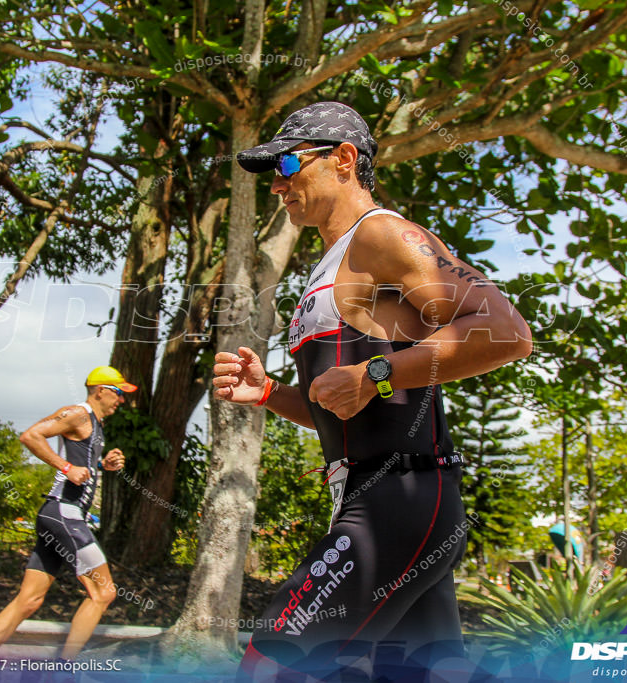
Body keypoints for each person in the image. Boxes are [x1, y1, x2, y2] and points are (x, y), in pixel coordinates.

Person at [215, 102, 533, 680]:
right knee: (422, 674)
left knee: (273, 662)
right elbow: (342, 411)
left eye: (288, 164)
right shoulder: (326, 267)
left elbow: (507, 333)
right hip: (379, 497)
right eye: (273, 174)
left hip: (401, 496)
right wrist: (269, 394)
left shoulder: (382, 235)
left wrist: (375, 374)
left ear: (344, 160)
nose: (279, 184)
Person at [0, 366, 134, 661]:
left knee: (29, 601)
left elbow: (81, 466)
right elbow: (31, 436)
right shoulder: (78, 413)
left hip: (58, 515)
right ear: (100, 390)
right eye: (119, 392)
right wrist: (65, 467)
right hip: (64, 513)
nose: (121, 400)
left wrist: (102, 467)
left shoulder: (96, 425)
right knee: (104, 593)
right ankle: (64, 669)